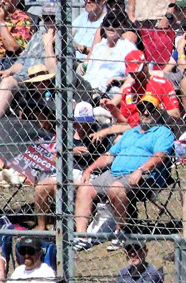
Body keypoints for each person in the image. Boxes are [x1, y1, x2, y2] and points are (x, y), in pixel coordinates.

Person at [52, 97, 175, 236]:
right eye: (142, 109)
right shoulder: (131, 133)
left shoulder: (163, 133)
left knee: (115, 188)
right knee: (85, 189)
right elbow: (109, 155)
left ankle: (122, 231)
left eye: (151, 109)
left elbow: (160, 156)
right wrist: (89, 169)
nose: (145, 113)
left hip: (143, 176)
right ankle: (82, 236)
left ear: (158, 113)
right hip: (114, 173)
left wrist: (140, 170)